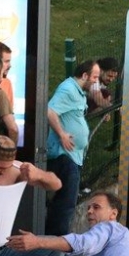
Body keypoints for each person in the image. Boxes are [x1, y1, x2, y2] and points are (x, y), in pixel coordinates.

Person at [45, 59, 99, 235]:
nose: (96, 81)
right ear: (84, 75)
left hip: (73, 155)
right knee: (65, 203)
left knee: (66, 202)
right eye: (95, 77)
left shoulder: (78, 92)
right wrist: (61, 133)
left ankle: (56, 241)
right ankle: (56, 243)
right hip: (65, 156)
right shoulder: (68, 89)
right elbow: (49, 111)